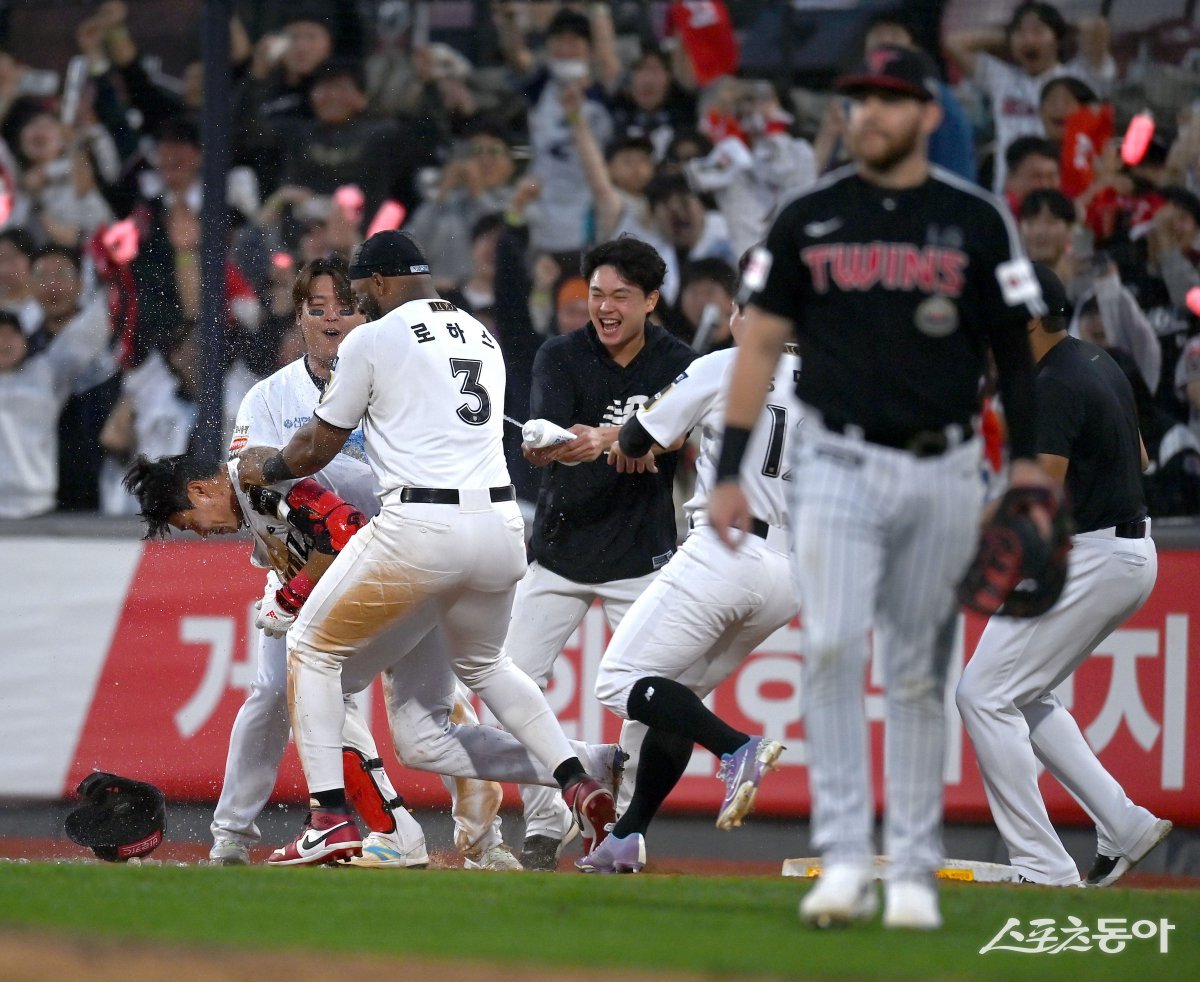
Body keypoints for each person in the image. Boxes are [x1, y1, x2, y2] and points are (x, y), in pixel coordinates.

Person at [707, 46, 1052, 931]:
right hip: (835, 462)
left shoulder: (975, 219)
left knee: (915, 670)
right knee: (830, 651)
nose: (870, 113)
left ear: (928, 115)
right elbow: (758, 344)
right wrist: (733, 468)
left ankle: (912, 869)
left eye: (890, 100)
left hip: (942, 465)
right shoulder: (808, 216)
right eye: (859, 99)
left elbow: (1015, 353)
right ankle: (847, 859)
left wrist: (1025, 471)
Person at [236, 230, 619, 866]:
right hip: (498, 528)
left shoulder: (372, 338)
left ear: (379, 284)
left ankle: (330, 817)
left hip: (421, 526)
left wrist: (266, 466)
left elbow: (316, 447)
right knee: (489, 668)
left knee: (310, 648)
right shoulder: (480, 334)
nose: (361, 305)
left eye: (362, 293)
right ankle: (578, 782)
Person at [956, 264, 1171, 887]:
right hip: (1125, 550)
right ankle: (1122, 823)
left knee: (982, 694)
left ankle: (1042, 864)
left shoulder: (1050, 383)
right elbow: (1139, 454)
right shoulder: (1093, 361)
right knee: (1024, 694)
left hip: (1094, 556)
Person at [580, 288, 800, 874]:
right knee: (675, 700)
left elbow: (635, 438)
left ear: (747, 317)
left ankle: (736, 748)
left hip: (727, 547)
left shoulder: (727, 363)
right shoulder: (829, 384)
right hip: (792, 569)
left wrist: (632, 443)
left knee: (619, 680)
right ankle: (627, 838)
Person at [506, 236, 695, 869]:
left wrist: (627, 438)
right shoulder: (560, 355)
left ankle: (625, 831)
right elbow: (544, 441)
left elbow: (685, 438)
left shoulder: (679, 361)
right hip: (559, 552)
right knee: (508, 684)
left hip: (644, 559)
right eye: (596, 295)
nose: (605, 308)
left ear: (651, 301)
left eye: (620, 296)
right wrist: (604, 443)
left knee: (647, 695)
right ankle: (548, 816)